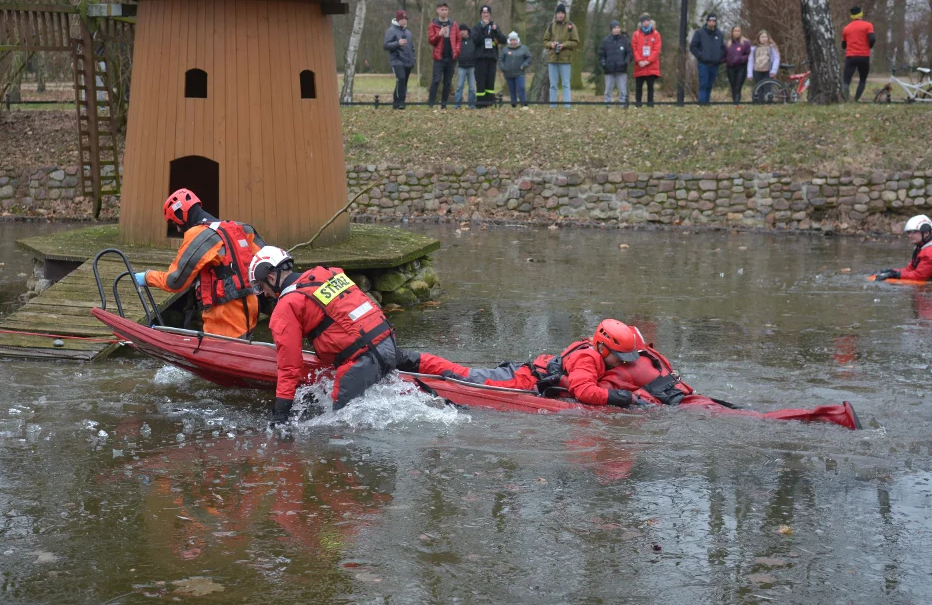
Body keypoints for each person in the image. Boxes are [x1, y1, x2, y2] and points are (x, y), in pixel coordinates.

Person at [398, 318, 859, 429]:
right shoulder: (586, 360)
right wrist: (618, 400)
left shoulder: (612, 353)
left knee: (465, 373)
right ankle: (409, 361)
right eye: (622, 359)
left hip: (537, 374)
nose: (626, 365)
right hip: (520, 381)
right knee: (462, 376)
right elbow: (581, 391)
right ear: (606, 349)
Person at [248, 247, 403, 423]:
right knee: (415, 361)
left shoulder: (286, 307)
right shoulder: (330, 274)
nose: (265, 294)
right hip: (388, 345)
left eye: (261, 287)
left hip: (359, 365)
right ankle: (443, 371)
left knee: (338, 426)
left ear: (270, 277)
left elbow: (289, 368)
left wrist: (280, 415)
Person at [134, 189, 264, 339]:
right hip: (251, 311)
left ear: (180, 216)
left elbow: (174, 281)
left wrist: (147, 277)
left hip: (225, 319)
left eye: (175, 223)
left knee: (222, 355)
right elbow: (270, 261)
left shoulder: (199, 235)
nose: (177, 229)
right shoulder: (242, 229)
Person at [542, 3, 580, 109]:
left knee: (565, 84)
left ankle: (567, 106)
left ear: (564, 14)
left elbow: (576, 42)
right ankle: (552, 107)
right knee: (553, 85)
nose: (560, 15)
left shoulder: (571, 26)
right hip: (552, 59)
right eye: (558, 13)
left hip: (565, 60)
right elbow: (545, 41)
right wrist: (551, 44)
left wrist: (564, 45)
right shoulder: (550, 26)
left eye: (562, 13)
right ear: (556, 14)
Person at [874, 215, 932, 282]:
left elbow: (919, 276)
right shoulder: (920, 248)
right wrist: (891, 271)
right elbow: (909, 270)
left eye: (913, 232)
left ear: (926, 232)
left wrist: (896, 275)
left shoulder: (929, 252)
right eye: (909, 232)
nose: (910, 236)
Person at [470, 5, 506, 107]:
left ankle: (490, 103)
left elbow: (503, 40)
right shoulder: (476, 27)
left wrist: (496, 31)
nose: (486, 15)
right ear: (481, 14)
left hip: (492, 58)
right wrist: (483, 28)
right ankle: (480, 104)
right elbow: (475, 40)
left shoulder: (494, 26)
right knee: (481, 82)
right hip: (480, 59)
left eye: (487, 13)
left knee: (490, 82)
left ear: (490, 14)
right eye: (484, 13)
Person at [427, 2, 460, 109]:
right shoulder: (433, 24)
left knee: (448, 82)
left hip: (451, 57)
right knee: (436, 80)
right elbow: (431, 41)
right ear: (437, 10)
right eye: (442, 9)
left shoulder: (453, 24)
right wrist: (439, 34)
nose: (444, 12)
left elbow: (458, 39)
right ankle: (430, 104)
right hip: (439, 58)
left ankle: (444, 105)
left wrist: (457, 50)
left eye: (446, 10)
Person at [689, 13, 725, 103]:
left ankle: (707, 102)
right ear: (707, 22)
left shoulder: (719, 34)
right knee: (703, 84)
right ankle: (702, 103)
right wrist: (701, 56)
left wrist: (719, 57)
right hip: (703, 63)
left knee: (710, 84)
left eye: (714, 21)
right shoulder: (700, 33)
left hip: (715, 64)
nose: (712, 23)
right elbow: (693, 47)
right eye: (710, 21)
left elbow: (722, 48)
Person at [842, 6, 876, 102]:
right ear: (861, 14)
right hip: (864, 56)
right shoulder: (868, 25)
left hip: (851, 57)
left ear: (851, 16)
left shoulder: (846, 28)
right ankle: (856, 100)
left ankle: (846, 99)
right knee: (862, 79)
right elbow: (872, 38)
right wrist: (869, 46)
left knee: (846, 81)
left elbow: (843, 45)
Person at [383, 10, 414, 110]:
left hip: (407, 61)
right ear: (397, 19)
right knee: (400, 78)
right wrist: (398, 43)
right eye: (402, 19)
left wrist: (413, 59)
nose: (404, 21)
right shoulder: (391, 30)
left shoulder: (408, 33)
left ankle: (396, 103)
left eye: (405, 19)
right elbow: (386, 45)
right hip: (396, 60)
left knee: (403, 82)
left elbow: (411, 48)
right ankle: (401, 102)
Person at [631, 12, 661, 107]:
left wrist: (648, 61)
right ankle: (638, 103)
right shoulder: (636, 35)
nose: (646, 23)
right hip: (639, 66)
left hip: (651, 66)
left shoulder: (656, 34)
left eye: (648, 21)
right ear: (641, 23)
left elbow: (656, 50)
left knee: (650, 87)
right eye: (644, 21)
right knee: (639, 87)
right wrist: (639, 61)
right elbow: (634, 49)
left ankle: (650, 104)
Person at [598, 20, 631, 106]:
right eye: (615, 28)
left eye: (618, 27)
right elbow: (601, 55)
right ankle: (607, 105)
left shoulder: (625, 40)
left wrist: (625, 63)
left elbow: (629, 54)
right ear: (611, 29)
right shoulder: (605, 41)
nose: (617, 29)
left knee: (622, 90)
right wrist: (604, 64)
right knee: (608, 89)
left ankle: (623, 105)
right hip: (609, 70)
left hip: (621, 69)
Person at [499, 31, 532, 108]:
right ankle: (513, 104)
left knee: (521, 88)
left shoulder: (524, 48)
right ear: (509, 41)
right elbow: (501, 59)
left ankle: (523, 104)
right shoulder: (505, 49)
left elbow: (529, 58)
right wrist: (503, 68)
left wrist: (524, 65)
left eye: (514, 40)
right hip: (508, 74)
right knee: (512, 90)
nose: (513, 41)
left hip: (520, 73)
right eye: (511, 40)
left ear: (517, 40)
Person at [724, 25, 751, 103]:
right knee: (733, 86)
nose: (736, 32)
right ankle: (734, 102)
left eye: (738, 31)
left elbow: (748, 54)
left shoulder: (746, 42)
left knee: (738, 86)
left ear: (741, 32)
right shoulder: (728, 43)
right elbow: (724, 55)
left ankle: (736, 103)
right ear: (732, 32)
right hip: (730, 68)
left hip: (741, 67)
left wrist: (740, 59)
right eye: (735, 31)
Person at [454, 24, 476, 109]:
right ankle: (457, 105)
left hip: (472, 67)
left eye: (464, 30)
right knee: (459, 86)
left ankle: (471, 105)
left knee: (472, 87)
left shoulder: (473, 40)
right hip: (461, 67)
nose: (462, 32)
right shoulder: (458, 41)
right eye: (461, 30)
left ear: (467, 31)